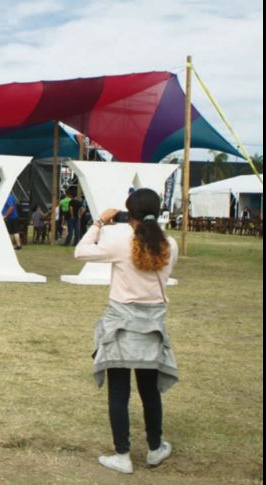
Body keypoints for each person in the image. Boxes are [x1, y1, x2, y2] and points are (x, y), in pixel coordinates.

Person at [74, 188, 178, 475]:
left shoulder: (121, 243)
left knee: (119, 392)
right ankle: (155, 448)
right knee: (149, 391)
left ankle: (123, 454)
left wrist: (98, 223)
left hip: (120, 325)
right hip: (152, 327)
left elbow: (80, 252)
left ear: (128, 213)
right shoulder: (170, 245)